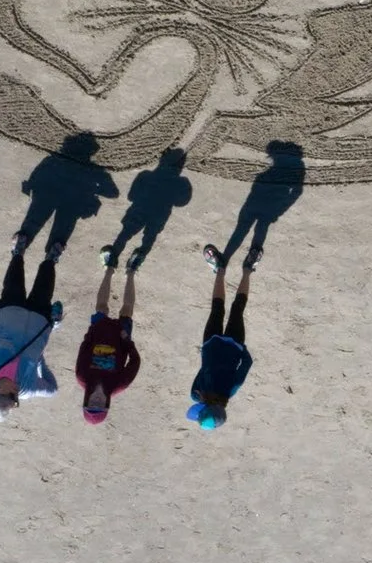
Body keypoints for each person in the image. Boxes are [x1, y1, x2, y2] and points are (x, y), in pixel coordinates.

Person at [0, 242, 64, 421]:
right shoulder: (27, 389)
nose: (16, 395)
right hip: (39, 321)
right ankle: (51, 259)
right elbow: (52, 389)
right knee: (44, 287)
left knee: (14, 280)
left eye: (11, 396)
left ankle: (18, 252)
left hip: (8, 311)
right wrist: (39, 360)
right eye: (16, 401)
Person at [14, 130, 118, 259]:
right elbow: (113, 193)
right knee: (61, 227)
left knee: (35, 220)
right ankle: (50, 256)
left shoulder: (53, 159)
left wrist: (32, 187)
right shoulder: (93, 170)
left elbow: (36, 175)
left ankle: (20, 249)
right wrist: (93, 189)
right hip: (72, 199)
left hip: (48, 193)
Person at [186, 246, 256, 431]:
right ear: (208, 406)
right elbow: (202, 372)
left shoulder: (223, 391)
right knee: (222, 308)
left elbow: (246, 363)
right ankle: (228, 270)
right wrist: (240, 348)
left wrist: (240, 348)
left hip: (226, 343)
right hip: (214, 343)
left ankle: (241, 270)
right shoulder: (202, 392)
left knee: (233, 308)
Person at [75, 241, 143, 424]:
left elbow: (84, 349)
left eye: (91, 403)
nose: (96, 400)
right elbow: (135, 362)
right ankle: (131, 272)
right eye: (100, 405)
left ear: (86, 401)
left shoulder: (82, 377)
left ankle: (109, 268)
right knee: (127, 309)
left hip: (99, 332)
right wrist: (128, 343)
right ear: (107, 404)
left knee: (101, 306)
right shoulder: (119, 385)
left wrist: (92, 330)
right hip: (121, 338)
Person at [101, 148, 193, 272]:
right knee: (150, 235)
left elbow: (131, 196)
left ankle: (112, 262)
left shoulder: (145, 175)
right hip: (160, 213)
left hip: (139, 209)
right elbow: (182, 202)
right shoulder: (182, 182)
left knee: (126, 232)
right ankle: (137, 261)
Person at [220, 140, 306, 269]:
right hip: (266, 202)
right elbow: (296, 191)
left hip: (260, 200)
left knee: (244, 228)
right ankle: (247, 260)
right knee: (258, 227)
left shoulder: (295, 165)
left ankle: (226, 260)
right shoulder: (298, 165)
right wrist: (280, 209)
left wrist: (280, 209)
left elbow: (297, 191)